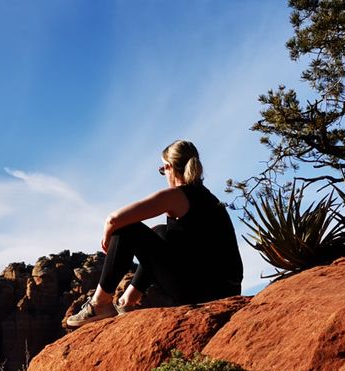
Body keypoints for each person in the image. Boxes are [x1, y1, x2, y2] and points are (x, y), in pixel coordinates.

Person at [64, 139, 243, 328]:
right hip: (224, 288)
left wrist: (108, 237)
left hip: (200, 292)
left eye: (162, 170)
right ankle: (127, 302)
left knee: (127, 229)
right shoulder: (208, 198)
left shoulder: (175, 196)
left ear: (169, 167)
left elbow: (114, 219)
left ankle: (99, 304)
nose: (164, 174)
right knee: (160, 231)